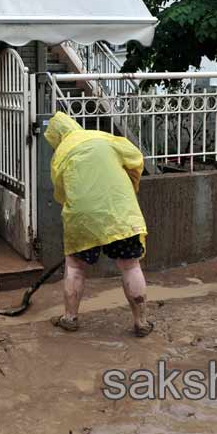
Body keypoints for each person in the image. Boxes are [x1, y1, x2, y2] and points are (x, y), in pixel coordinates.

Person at [44, 112, 153, 337]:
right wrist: (130, 185)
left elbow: (61, 193)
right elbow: (135, 159)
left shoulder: (60, 155)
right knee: (130, 266)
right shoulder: (103, 138)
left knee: (74, 267)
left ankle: (70, 318)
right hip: (119, 213)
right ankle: (141, 322)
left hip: (82, 218)